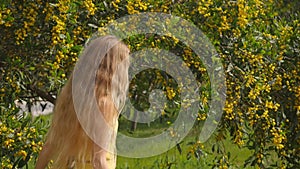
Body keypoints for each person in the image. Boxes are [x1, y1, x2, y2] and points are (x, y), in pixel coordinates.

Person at [35, 35, 130, 169]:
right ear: (114, 68)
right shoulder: (104, 104)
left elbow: (49, 146)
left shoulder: (71, 98)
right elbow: (99, 160)